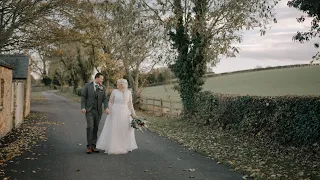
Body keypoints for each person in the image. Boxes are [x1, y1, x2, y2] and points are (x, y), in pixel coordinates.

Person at [96, 78, 138, 154]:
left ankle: (124, 145)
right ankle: (115, 146)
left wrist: (133, 113)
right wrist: (108, 109)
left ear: (123, 85)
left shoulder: (128, 92)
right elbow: (111, 102)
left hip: (125, 113)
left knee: (124, 129)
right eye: (118, 84)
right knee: (115, 129)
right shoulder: (114, 91)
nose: (118, 85)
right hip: (115, 112)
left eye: (119, 84)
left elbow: (130, 104)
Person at [81, 73, 109, 154]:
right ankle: (89, 147)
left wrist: (106, 107)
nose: (102, 80)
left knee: (96, 128)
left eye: (102, 79)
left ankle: (93, 146)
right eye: (101, 78)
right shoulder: (87, 85)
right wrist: (83, 107)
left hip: (98, 111)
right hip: (89, 110)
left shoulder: (102, 87)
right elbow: (83, 97)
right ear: (96, 78)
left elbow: (105, 98)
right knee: (90, 127)